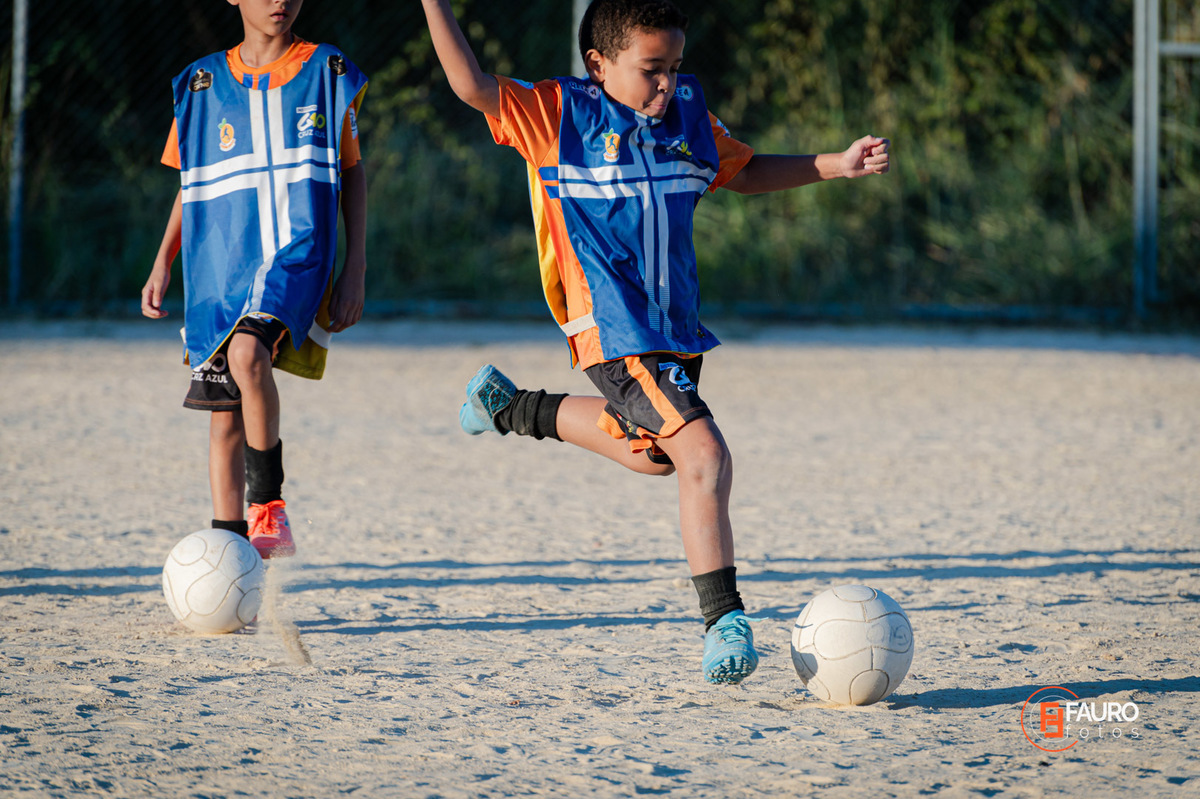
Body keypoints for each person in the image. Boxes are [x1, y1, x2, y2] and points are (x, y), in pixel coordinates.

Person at [421, 0, 890, 684]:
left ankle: (510, 406)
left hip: (674, 330)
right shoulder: (558, 114)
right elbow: (471, 85)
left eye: (674, 65)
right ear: (598, 64)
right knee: (704, 453)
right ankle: (723, 620)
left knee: (655, 456)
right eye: (651, 69)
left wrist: (835, 164)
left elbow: (741, 170)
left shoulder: (687, 112)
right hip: (613, 330)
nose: (667, 82)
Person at [141, 0, 368, 561]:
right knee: (224, 422)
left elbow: (352, 171)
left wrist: (355, 266)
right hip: (220, 268)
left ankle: (267, 503)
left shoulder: (326, 70)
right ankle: (230, 552)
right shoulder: (201, 85)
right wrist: (164, 259)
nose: (279, 1)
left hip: (296, 252)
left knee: (248, 353)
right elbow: (193, 183)